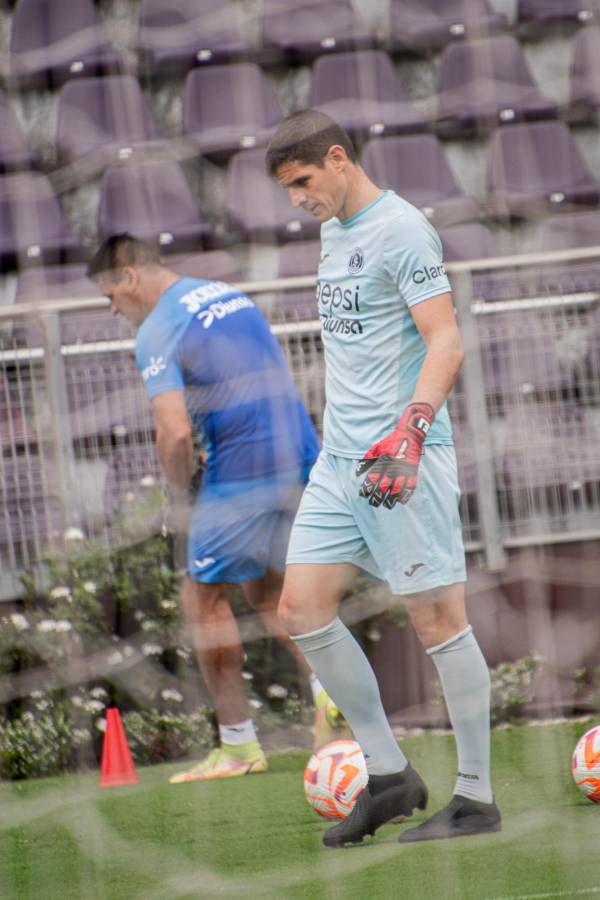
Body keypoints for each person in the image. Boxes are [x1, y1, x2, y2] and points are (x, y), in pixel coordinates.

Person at [265, 110, 501, 846]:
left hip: (401, 459)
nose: (298, 199)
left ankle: (476, 797)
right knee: (301, 609)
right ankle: (391, 775)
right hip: (339, 464)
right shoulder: (333, 234)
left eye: (304, 181)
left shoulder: (402, 229)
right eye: (287, 189)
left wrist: (411, 433)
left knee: (438, 620)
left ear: (338, 159)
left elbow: (445, 341)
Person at [87, 233, 344, 783]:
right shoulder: (227, 293)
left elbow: (175, 433)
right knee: (273, 595)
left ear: (128, 276)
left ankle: (237, 745)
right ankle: (334, 698)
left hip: (242, 470)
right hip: (299, 451)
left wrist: (179, 494)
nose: (113, 310)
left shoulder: (158, 329)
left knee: (201, 601)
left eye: (110, 296)